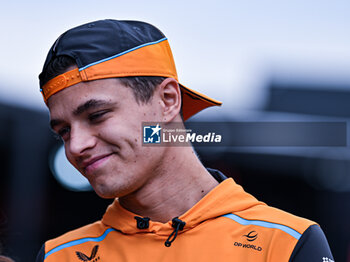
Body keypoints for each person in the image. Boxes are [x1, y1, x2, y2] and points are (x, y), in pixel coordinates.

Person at [36, 19, 334, 261]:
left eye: (97, 115)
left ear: (167, 101)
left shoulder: (286, 243)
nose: (75, 146)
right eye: (63, 131)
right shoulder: (58, 256)